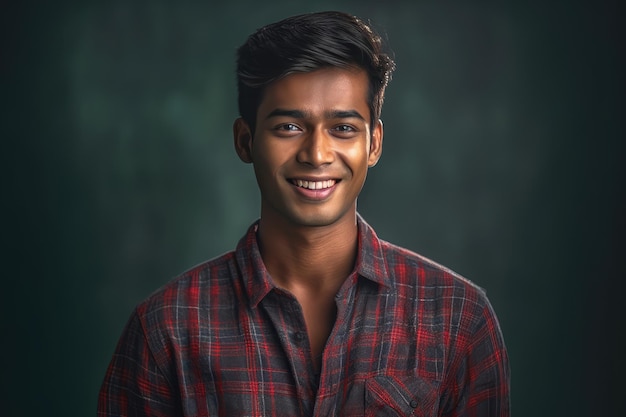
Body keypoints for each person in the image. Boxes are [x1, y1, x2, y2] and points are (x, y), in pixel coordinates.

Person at [98, 10, 510, 416]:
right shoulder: (166, 331)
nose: (316, 154)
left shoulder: (458, 317)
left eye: (343, 128)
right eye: (289, 127)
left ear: (374, 144)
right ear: (245, 141)